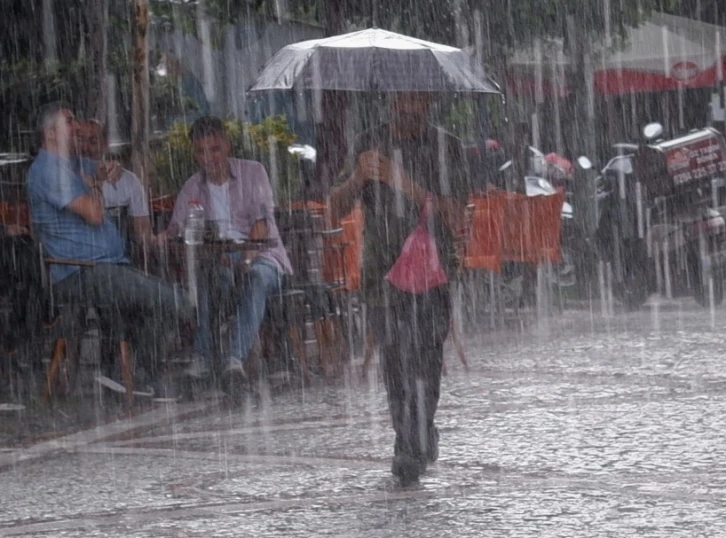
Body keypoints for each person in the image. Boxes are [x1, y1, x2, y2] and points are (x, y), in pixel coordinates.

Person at [327, 92, 469, 486]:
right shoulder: (368, 143)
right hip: (382, 275)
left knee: (425, 360)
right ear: (389, 101)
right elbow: (334, 209)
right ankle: (409, 443)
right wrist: (358, 176)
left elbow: (458, 214)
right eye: (399, 100)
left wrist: (405, 184)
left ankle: (416, 438)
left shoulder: (447, 146)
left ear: (427, 102)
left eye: (414, 100)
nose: (405, 107)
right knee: (396, 362)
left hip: (434, 273)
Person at [25, 102, 193, 395]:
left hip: (107, 267)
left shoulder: (70, 163)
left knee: (158, 305)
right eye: (69, 122)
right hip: (82, 274)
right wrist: (96, 185)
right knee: (177, 302)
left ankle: (127, 375)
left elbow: (105, 169)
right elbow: (94, 213)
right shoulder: (48, 171)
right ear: (50, 133)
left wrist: (111, 168)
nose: (76, 127)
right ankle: (134, 374)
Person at [163, 116, 292, 390]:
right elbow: (177, 229)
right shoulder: (192, 187)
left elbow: (260, 223)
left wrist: (245, 259)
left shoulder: (253, 172)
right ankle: (203, 357)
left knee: (256, 278)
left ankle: (234, 359)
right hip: (219, 260)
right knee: (208, 278)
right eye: (201, 152)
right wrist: (160, 238)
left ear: (227, 145)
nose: (209, 158)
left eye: (215, 149)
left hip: (262, 256)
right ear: (194, 154)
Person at [74, 119, 155, 251]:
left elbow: (143, 234)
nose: (85, 147)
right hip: (85, 260)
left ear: (105, 144)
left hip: (122, 260)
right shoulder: (70, 177)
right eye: (81, 140)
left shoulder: (128, 181)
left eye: (93, 141)